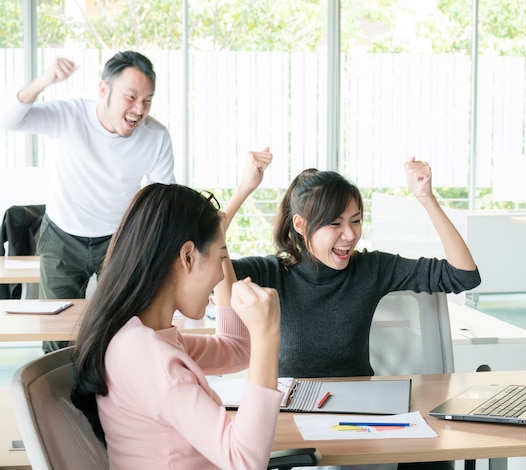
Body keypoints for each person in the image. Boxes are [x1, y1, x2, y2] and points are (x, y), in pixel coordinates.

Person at [71, 183, 283, 469]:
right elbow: (244, 460)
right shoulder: (148, 357)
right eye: (221, 259)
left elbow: (235, 349)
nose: (222, 275)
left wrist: (218, 243)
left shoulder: (142, 339)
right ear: (187, 257)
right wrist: (267, 333)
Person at [231, 158, 481, 379]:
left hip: (358, 412)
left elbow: (463, 276)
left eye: (356, 221)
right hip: (290, 413)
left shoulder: (371, 269)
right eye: (335, 223)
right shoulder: (272, 273)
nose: (350, 235)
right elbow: (207, 269)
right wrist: (243, 190)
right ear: (301, 225)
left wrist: (427, 199)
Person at [0, 51, 175, 353]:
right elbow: (9, 120)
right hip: (62, 239)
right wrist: (45, 80)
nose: (139, 109)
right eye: (130, 97)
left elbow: (164, 200)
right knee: (57, 335)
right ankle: (56, 397)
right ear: (104, 90)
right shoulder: (70, 116)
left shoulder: (155, 136)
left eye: (147, 100)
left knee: (124, 329)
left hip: (120, 242)